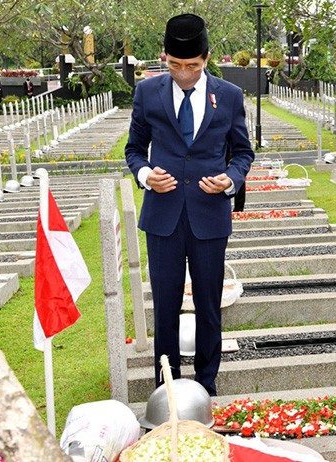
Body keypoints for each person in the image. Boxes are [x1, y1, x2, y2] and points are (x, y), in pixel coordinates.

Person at [125, 13, 254, 396]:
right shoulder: (147, 92)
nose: (183, 74)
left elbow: (243, 153)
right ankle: (166, 387)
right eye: (175, 65)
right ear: (164, 57)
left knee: (208, 305)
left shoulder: (229, 95)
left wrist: (230, 179)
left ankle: (206, 386)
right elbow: (134, 149)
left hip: (208, 215)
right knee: (165, 307)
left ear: (207, 58)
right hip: (163, 217)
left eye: (193, 66)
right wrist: (145, 175)